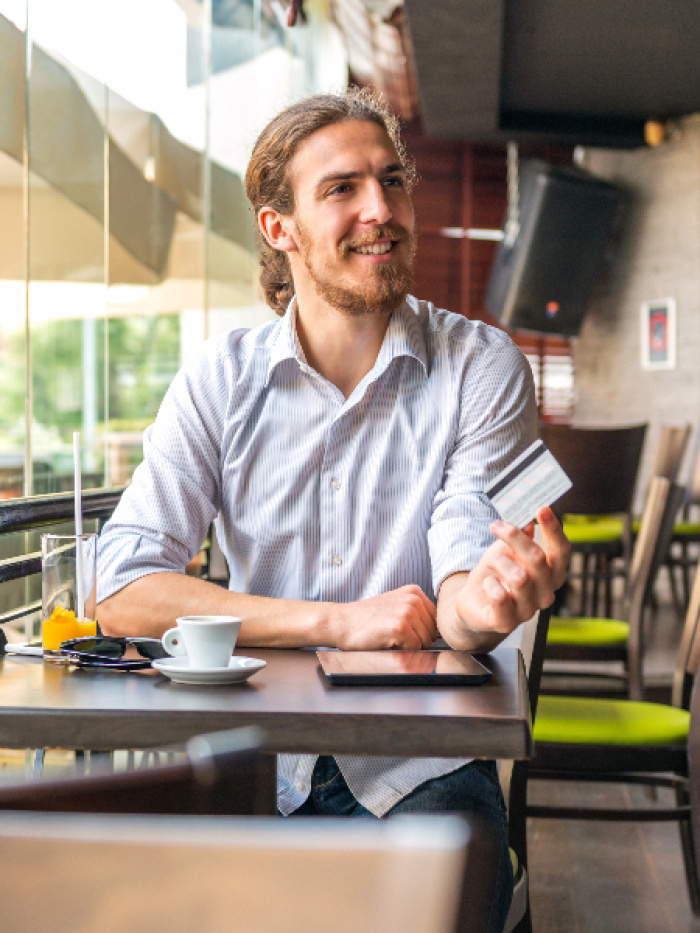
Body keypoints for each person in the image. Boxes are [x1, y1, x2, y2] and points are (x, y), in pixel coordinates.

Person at [97, 89, 569, 932]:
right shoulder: (221, 379)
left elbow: (461, 573)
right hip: (246, 765)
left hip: (420, 771)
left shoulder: (480, 365)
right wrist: (341, 620)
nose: (380, 210)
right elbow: (123, 583)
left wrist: (484, 604)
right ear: (280, 229)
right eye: (342, 188)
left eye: (392, 181)